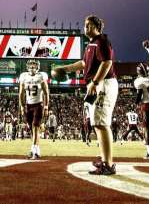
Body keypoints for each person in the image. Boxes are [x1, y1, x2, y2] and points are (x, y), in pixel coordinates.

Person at [52, 14, 118, 176]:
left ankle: (108, 164)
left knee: (102, 124)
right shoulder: (91, 44)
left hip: (103, 83)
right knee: (97, 123)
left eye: (88, 25)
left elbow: (107, 62)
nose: (85, 27)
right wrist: (66, 68)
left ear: (96, 27)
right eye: (85, 25)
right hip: (98, 83)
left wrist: (95, 83)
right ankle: (105, 159)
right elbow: (83, 64)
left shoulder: (101, 41)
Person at [18, 59, 49, 159]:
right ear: (27, 66)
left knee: (35, 126)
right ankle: (37, 149)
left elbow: (46, 92)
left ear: (37, 67)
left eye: (34, 65)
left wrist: (46, 106)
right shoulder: (24, 77)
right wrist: (22, 106)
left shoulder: (41, 76)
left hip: (38, 104)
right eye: (30, 65)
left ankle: (33, 149)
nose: (32, 67)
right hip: (28, 105)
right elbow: (21, 93)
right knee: (32, 129)